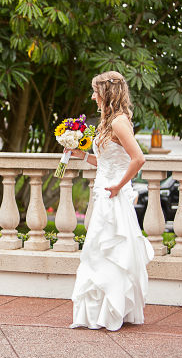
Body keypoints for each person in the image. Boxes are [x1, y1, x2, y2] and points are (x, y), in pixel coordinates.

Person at [66, 71, 154, 331]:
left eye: (96, 92)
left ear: (107, 94)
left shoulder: (118, 123)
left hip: (113, 196)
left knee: (111, 251)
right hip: (104, 194)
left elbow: (138, 158)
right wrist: (81, 154)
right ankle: (103, 311)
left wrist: (119, 185)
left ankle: (111, 311)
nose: (93, 97)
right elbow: (105, 160)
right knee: (99, 252)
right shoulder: (109, 122)